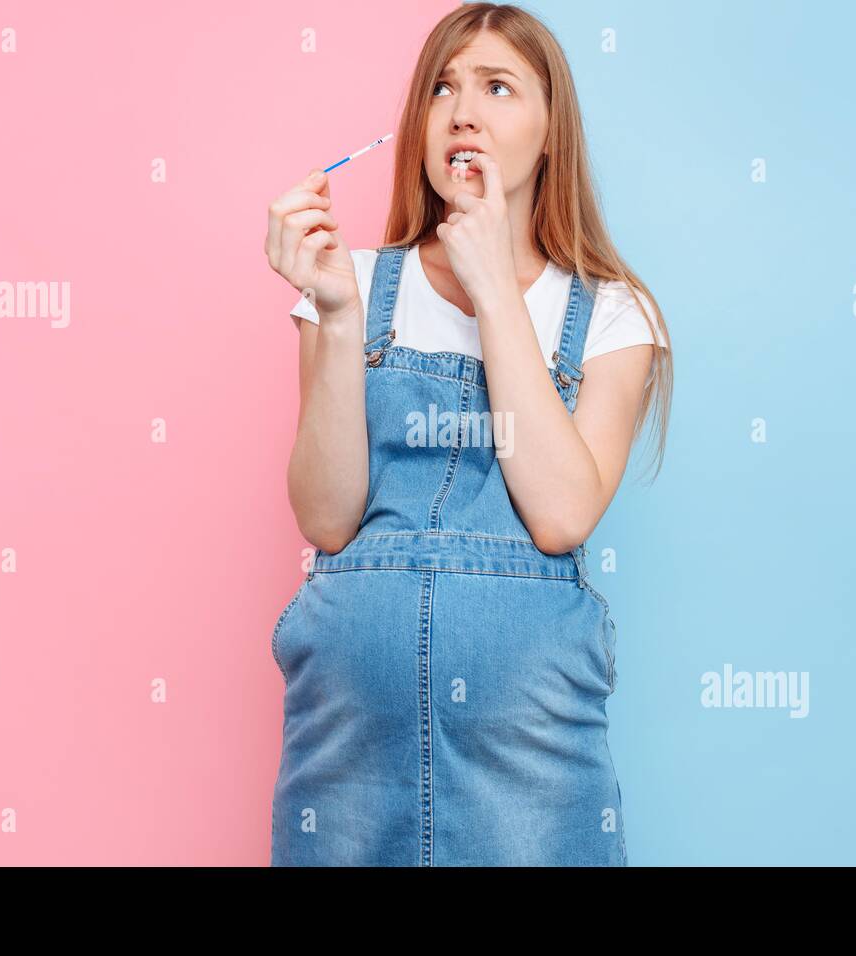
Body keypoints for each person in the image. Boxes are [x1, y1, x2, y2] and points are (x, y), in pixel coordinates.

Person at [262, 2, 671, 866]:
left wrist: (495, 288)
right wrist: (336, 320)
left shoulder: (611, 316)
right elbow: (327, 518)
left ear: (549, 131)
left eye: (497, 86)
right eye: (442, 86)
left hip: (531, 756)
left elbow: (562, 515)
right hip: (347, 749)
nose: (463, 109)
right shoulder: (354, 284)